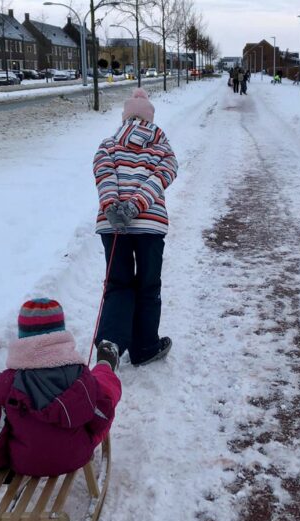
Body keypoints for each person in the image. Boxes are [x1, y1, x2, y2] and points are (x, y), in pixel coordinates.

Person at [0, 299, 122, 479]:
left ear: (22, 336)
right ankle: (105, 366)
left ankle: (104, 369)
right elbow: (101, 417)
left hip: (25, 462)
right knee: (104, 390)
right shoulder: (80, 375)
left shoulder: (4, 384)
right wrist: (89, 435)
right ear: (60, 335)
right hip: (75, 456)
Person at [93, 88, 178, 366]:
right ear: (149, 119)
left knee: (118, 283)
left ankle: (110, 343)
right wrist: (137, 205)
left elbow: (104, 174)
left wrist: (112, 206)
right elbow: (163, 175)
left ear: (125, 117)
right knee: (148, 285)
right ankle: (145, 347)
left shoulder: (108, 144)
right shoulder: (162, 146)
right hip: (150, 226)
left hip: (113, 227)